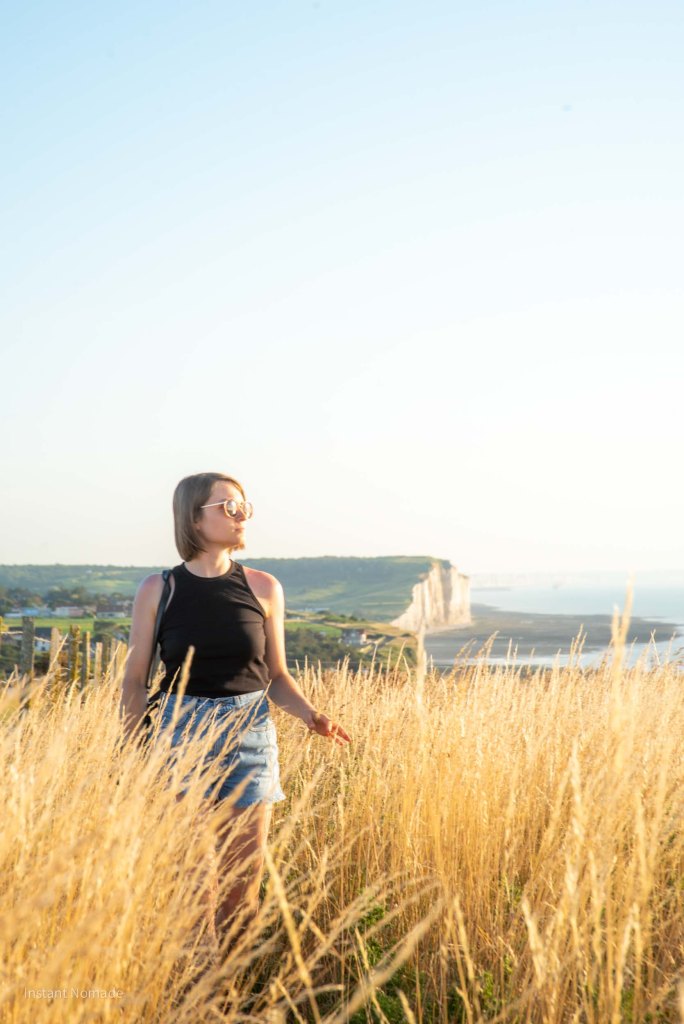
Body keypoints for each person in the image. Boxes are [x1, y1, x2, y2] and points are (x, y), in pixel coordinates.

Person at [119, 471, 351, 945]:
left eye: (245, 505)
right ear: (194, 518)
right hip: (180, 732)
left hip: (251, 734)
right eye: (229, 507)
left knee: (242, 888)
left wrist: (311, 714)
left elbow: (276, 677)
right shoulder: (158, 590)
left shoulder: (265, 587)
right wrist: (132, 751)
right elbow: (134, 681)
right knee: (192, 885)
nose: (242, 515)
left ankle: (233, 999)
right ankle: (194, 999)